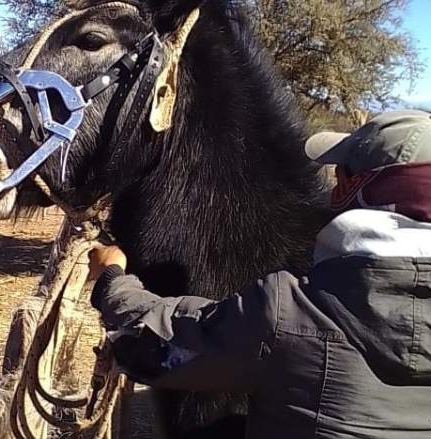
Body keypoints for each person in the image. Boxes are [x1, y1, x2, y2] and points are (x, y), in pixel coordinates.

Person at [87, 109, 431, 438]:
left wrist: (112, 279)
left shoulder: (289, 313)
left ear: (360, 190)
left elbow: (162, 345)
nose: (333, 182)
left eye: (341, 173)